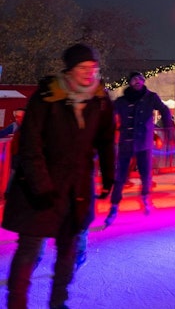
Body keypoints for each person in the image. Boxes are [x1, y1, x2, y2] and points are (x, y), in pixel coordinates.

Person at [2, 43, 115, 309]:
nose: (90, 73)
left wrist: (109, 175)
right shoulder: (46, 97)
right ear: (69, 70)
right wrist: (42, 188)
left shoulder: (100, 100)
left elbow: (106, 140)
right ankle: (16, 304)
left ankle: (58, 303)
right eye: (83, 67)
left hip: (75, 189)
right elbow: (31, 146)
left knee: (68, 251)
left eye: (94, 68)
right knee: (30, 249)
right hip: (38, 188)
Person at [106, 71, 174, 225]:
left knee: (145, 175)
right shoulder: (121, 101)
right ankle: (114, 205)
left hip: (144, 143)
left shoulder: (150, 97)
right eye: (134, 79)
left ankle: (145, 197)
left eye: (140, 79)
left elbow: (164, 109)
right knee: (120, 177)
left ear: (143, 82)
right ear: (129, 82)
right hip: (126, 144)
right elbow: (109, 114)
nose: (137, 81)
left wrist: (168, 128)